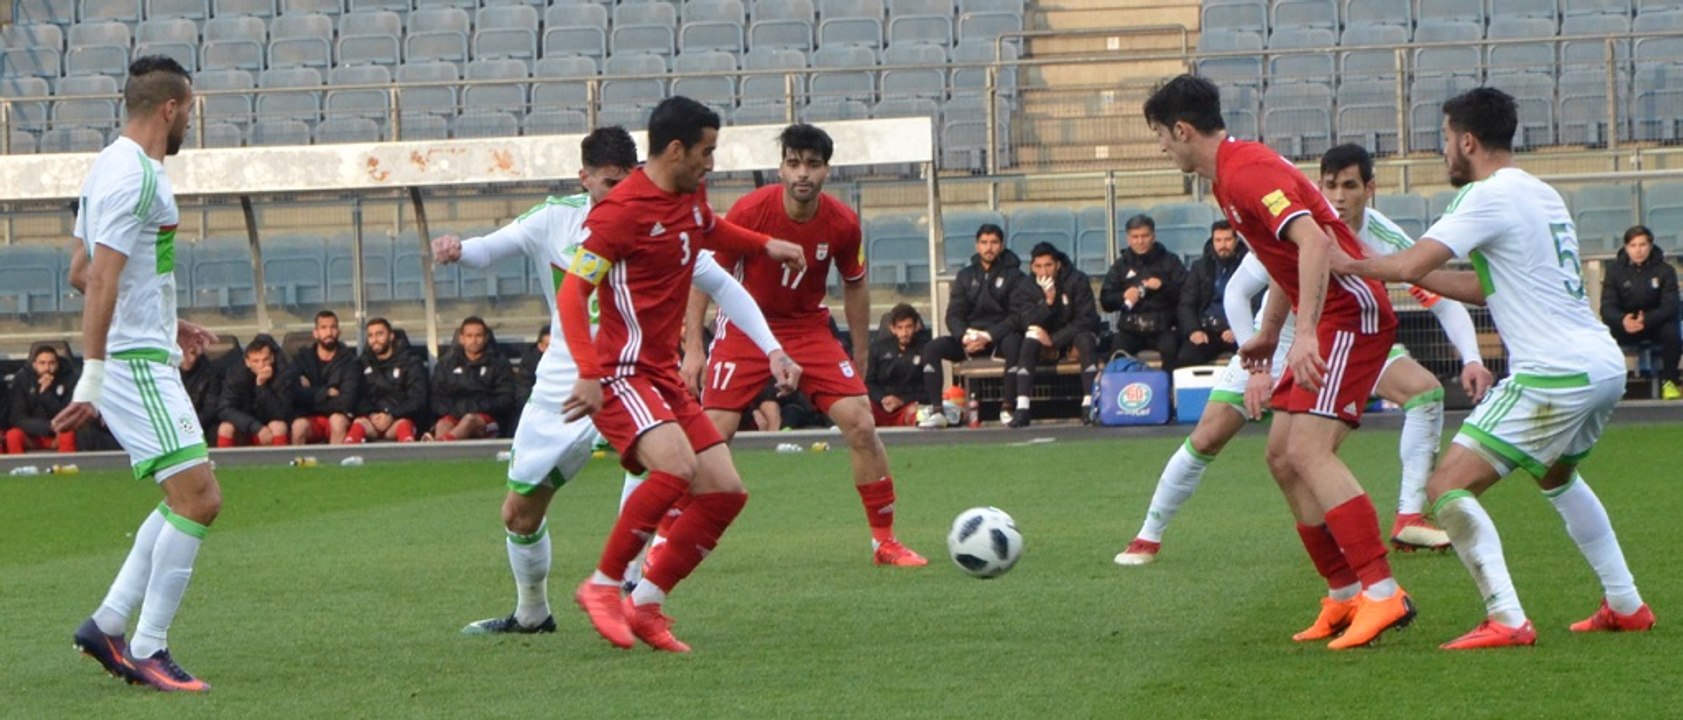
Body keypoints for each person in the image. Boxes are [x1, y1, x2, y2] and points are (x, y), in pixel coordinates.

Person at [431, 123, 794, 638]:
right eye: (608, 184)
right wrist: (457, 248)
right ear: (584, 178)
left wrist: (771, 346)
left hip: (637, 374)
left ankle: (627, 589)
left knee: (667, 473)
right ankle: (534, 612)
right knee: (519, 513)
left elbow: (722, 281)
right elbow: (491, 250)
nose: (619, 192)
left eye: (626, 181)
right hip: (567, 382)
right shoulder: (555, 220)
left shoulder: (659, 215)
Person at [1333, 87, 1654, 649]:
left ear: (1467, 141)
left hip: (1552, 371)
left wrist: (1342, 262)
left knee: (1445, 485)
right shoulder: (1540, 192)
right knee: (1556, 475)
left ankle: (1506, 617)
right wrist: (1408, 273)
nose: (1443, 152)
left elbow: (1409, 263)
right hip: (1600, 365)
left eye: (1444, 139)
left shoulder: (1484, 196)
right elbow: (1488, 286)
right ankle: (1626, 604)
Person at [1142, 74, 1409, 650]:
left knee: (1308, 451)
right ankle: (1343, 593)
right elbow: (1285, 258)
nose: (1161, 147)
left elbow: (1313, 243)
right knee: (1282, 457)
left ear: (1182, 130)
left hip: (1350, 312)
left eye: (1160, 135)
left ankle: (1383, 591)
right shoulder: (1230, 176)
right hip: (1329, 313)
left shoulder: (1246, 172)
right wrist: (1269, 332)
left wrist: (1304, 333)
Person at [558, 97, 806, 653]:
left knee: (724, 492)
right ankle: (603, 585)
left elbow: (709, 228)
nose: (711, 162)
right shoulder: (619, 212)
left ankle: (645, 603)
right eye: (706, 151)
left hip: (661, 374)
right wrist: (588, 372)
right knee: (675, 469)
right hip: (621, 371)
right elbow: (573, 293)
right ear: (676, 150)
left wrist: (766, 245)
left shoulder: (690, 195)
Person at [684, 123, 927, 566]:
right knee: (714, 433)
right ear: (781, 168)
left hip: (808, 329)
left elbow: (855, 284)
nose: (802, 173)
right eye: (794, 163)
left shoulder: (842, 223)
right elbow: (706, 275)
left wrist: (860, 350)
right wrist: (694, 347)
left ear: (826, 171)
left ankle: (884, 541)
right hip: (745, 326)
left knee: (861, 422)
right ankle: (667, 540)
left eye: (812, 165)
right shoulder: (750, 210)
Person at [59, 56, 220, 692]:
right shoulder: (140, 178)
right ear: (170, 109)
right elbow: (99, 278)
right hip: (134, 365)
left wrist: (166, 321)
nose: (190, 123)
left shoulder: (106, 166)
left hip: (141, 349)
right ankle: (149, 649)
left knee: (183, 497)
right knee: (200, 499)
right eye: (190, 111)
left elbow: (81, 270)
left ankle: (106, 624)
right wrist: (94, 375)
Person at [1319, 143, 1493, 548]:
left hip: (1357, 343)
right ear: (1319, 186)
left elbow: (1442, 300)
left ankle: (1408, 518)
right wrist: (1259, 352)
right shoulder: (1302, 226)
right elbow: (1240, 289)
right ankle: (1151, 535)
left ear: (1370, 189)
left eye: (1349, 186)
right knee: (1213, 439)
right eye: (1331, 186)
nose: (1339, 197)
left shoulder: (1385, 237)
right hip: (1289, 346)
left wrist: (1471, 359)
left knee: (1426, 393)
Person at [920, 223, 1042, 427]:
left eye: (994, 242)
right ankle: (938, 411)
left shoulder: (1015, 276)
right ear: (977, 246)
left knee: (1015, 343)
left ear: (1002, 246)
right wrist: (964, 336)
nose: (989, 247)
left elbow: (1016, 316)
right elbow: (953, 314)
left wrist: (988, 336)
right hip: (969, 339)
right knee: (932, 348)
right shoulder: (965, 276)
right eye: (984, 242)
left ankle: (1008, 408)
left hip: (999, 339)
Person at [1009, 242, 1101, 427]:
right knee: (1030, 338)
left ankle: (1089, 404)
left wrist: (1054, 340)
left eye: (1048, 265)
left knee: (1085, 340)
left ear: (1058, 265)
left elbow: (1086, 318)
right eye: (1038, 266)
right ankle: (1022, 408)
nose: (1044, 271)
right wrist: (1048, 302)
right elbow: (1026, 321)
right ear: (1032, 267)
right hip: (1044, 336)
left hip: (1073, 334)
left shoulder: (1077, 280)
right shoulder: (1026, 286)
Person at [1601, 225, 1680, 400]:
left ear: (1650, 246)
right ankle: (1610, 386)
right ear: (1626, 247)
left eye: (1642, 245)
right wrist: (1623, 320)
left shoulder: (1665, 270)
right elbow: (1607, 307)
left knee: (1672, 333)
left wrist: (1647, 320)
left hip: (1655, 324)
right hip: (1625, 326)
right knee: (1602, 337)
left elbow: (1671, 306)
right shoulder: (1614, 271)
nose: (1638, 250)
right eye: (1633, 245)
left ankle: (1669, 382)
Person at [1101, 214, 1187, 370]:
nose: (1140, 241)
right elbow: (1105, 301)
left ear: (1153, 236)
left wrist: (1163, 286)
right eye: (1135, 237)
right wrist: (1123, 296)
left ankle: (1168, 385)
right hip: (1130, 330)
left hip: (1164, 328)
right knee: (1117, 353)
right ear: (1128, 239)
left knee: (1172, 350)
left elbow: (1186, 293)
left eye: (1145, 236)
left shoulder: (1170, 261)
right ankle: (1123, 385)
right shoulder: (1121, 265)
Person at [427, 316, 514, 441]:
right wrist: (457, 410)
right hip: (454, 415)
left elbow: (506, 398)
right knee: (443, 424)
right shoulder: (447, 363)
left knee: (469, 420)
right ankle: (439, 447)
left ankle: (439, 443)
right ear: (461, 338)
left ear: (486, 338)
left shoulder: (499, 363)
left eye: (478, 336)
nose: (474, 340)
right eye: (469, 336)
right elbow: (436, 397)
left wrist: (475, 407)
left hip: (488, 420)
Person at [1175, 220, 1246, 368]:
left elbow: (1257, 302)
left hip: (1239, 331)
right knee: (1185, 358)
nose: (1223, 245)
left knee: (1251, 359)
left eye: (1227, 240)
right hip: (1207, 331)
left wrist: (1239, 329)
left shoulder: (1248, 265)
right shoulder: (1200, 267)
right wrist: (1194, 330)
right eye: (1218, 240)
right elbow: (1186, 304)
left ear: (1236, 240)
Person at [346, 317, 427, 444]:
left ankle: (409, 456)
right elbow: (355, 395)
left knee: (405, 426)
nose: (375, 339)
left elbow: (418, 399)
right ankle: (346, 455)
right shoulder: (361, 363)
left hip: (399, 418)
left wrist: (391, 415)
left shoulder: (411, 362)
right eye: (371, 335)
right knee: (357, 425)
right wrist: (371, 414)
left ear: (391, 336)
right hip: (372, 420)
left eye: (380, 334)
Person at [287, 310, 360, 445]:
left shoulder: (350, 361)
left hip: (338, 418)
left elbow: (346, 402)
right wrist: (326, 393)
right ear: (316, 333)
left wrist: (310, 395)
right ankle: (299, 459)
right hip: (309, 419)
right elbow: (294, 394)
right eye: (324, 328)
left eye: (333, 327)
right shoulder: (301, 359)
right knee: (298, 426)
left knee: (337, 421)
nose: (329, 332)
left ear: (339, 331)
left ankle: (335, 459)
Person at [216, 334, 293, 447]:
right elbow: (225, 409)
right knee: (225, 428)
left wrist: (261, 386)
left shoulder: (283, 375)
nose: (261, 365)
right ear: (247, 362)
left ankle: (279, 458)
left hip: (271, 423)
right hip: (246, 425)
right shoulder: (235, 376)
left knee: (278, 426)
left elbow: (282, 413)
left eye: (265, 360)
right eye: (255, 361)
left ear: (272, 358)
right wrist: (255, 427)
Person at [866, 304, 933, 428]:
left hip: (908, 405)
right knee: (861, 408)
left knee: (918, 413)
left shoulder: (927, 349)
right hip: (881, 406)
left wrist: (902, 400)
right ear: (892, 329)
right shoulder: (877, 349)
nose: (904, 333)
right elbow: (868, 383)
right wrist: (883, 399)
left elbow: (930, 390)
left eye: (909, 327)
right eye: (900, 328)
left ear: (916, 327)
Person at [6, 345, 78, 454]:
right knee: (13, 435)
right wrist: (47, 427)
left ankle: (67, 464)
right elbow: (17, 418)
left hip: (58, 433)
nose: (47, 368)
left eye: (51, 363)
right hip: (31, 435)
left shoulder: (69, 379)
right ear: (34, 364)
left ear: (57, 364)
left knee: (68, 435)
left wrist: (46, 394)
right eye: (42, 363)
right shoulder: (22, 379)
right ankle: (18, 464)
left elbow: (68, 412)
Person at [177, 339, 221, 442]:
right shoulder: (167, 373)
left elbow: (211, 408)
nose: (187, 358)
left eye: (192, 353)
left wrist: (190, 425)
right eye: (182, 353)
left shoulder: (210, 372)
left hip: (200, 423)